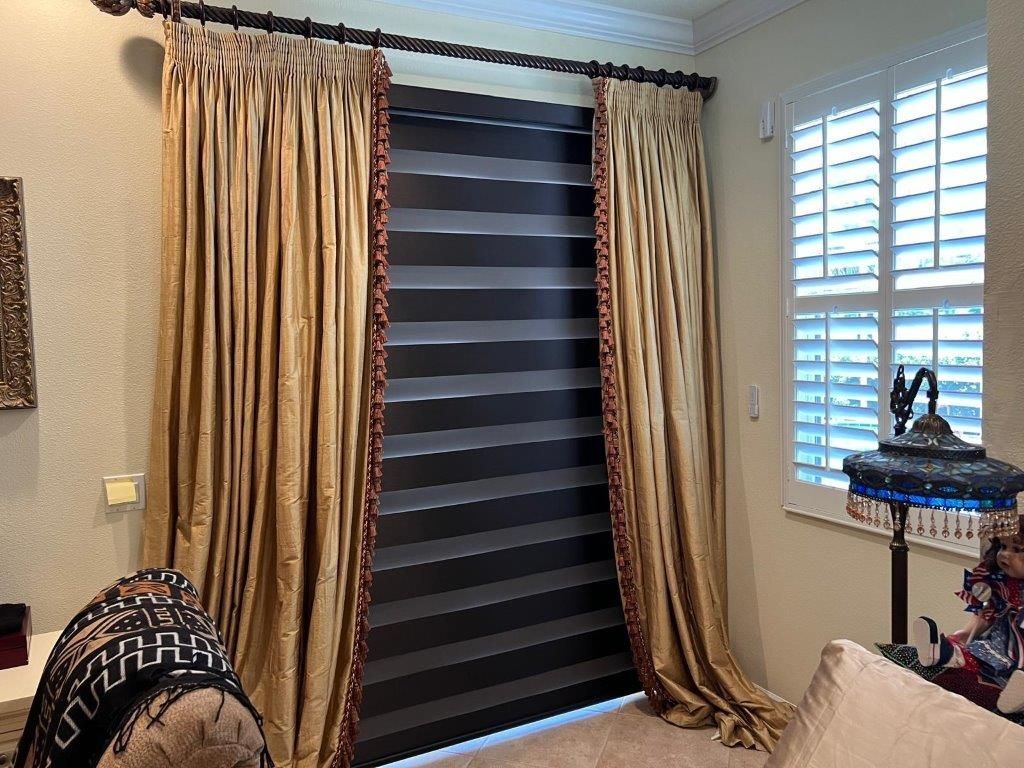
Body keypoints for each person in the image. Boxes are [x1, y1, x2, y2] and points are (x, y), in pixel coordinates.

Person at [913, 533, 1024, 714]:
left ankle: (1016, 701)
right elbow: (987, 613)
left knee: (1016, 674)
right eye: (1003, 547)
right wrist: (964, 633)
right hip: (1000, 640)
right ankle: (943, 653)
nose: (1005, 555)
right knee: (975, 653)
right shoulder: (999, 582)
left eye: (1017, 550)